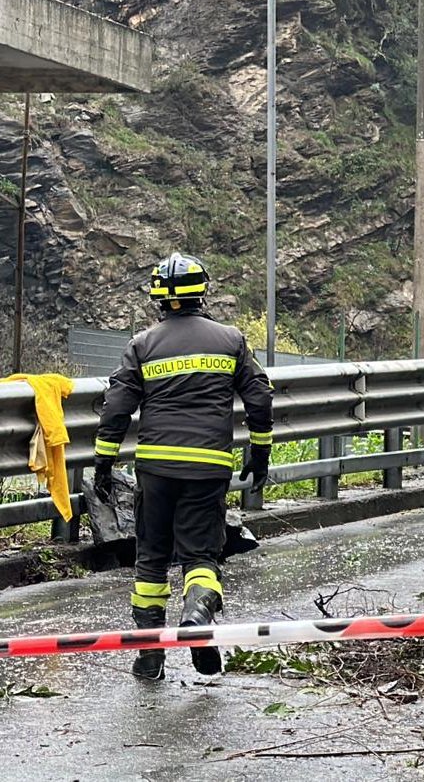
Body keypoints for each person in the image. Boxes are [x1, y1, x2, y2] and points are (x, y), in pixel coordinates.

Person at [93, 253, 273, 680]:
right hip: (208, 466)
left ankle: (150, 656)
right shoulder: (230, 340)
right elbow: (260, 398)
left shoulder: (143, 344)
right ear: (202, 291)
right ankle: (196, 615)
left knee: (151, 559)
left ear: (157, 295)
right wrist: (260, 452)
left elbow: (116, 408)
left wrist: (103, 461)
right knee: (201, 553)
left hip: (155, 467)